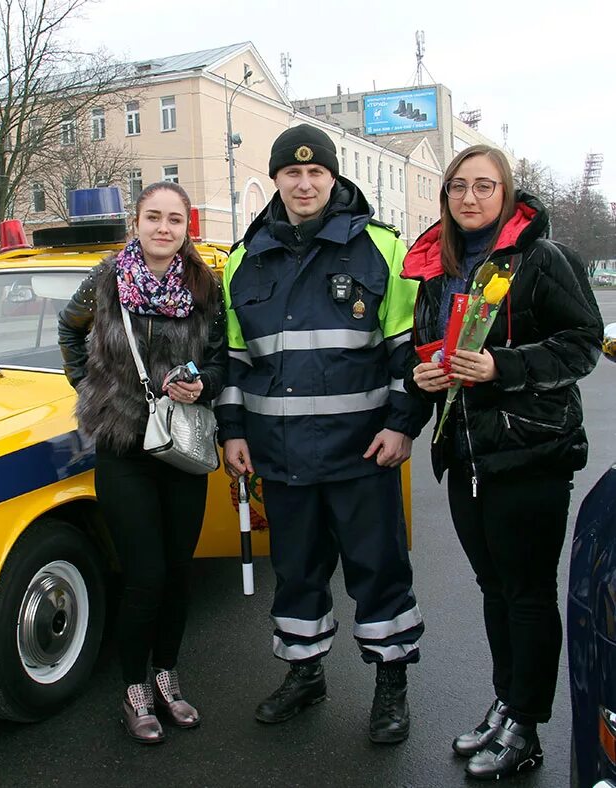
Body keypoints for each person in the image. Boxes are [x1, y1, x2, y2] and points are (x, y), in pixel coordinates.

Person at [215, 124, 427, 744]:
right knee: (298, 572)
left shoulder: (381, 249)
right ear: (276, 179)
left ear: (333, 178)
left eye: (316, 174)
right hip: (280, 459)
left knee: (379, 571)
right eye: (291, 173)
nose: (304, 184)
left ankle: (392, 685)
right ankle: (305, 675)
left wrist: (402, 424)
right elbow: (233, 360)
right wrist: (232, 432)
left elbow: (408, 351)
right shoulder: (242, 258)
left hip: (364, 454)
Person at [406, 144, 602, 779]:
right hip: (463, 450)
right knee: (495, 589)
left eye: (484, 186)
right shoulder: (439, 269)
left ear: (507, 193)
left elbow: (581, 344)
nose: (469, 197)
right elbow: (423, 346)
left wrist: (503, 367)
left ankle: (528, 725)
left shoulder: (543, 260)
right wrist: (423, 376)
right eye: (458, 186)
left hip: (529, 451)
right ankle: (507, 702)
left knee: (526, 593)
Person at [58, 182, 227, 745]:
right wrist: (90, 390)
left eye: (174, 219)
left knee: (179, 571)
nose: (163, 228)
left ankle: (166, 677)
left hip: (182, 448)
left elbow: (224, 359)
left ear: (186, 227)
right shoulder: (106, 281)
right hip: (124, 449)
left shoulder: (206, 286)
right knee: (145, 575)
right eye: (153, 217)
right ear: (136, 222)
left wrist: (203, 386)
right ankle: (134, 689)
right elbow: (68, 328)